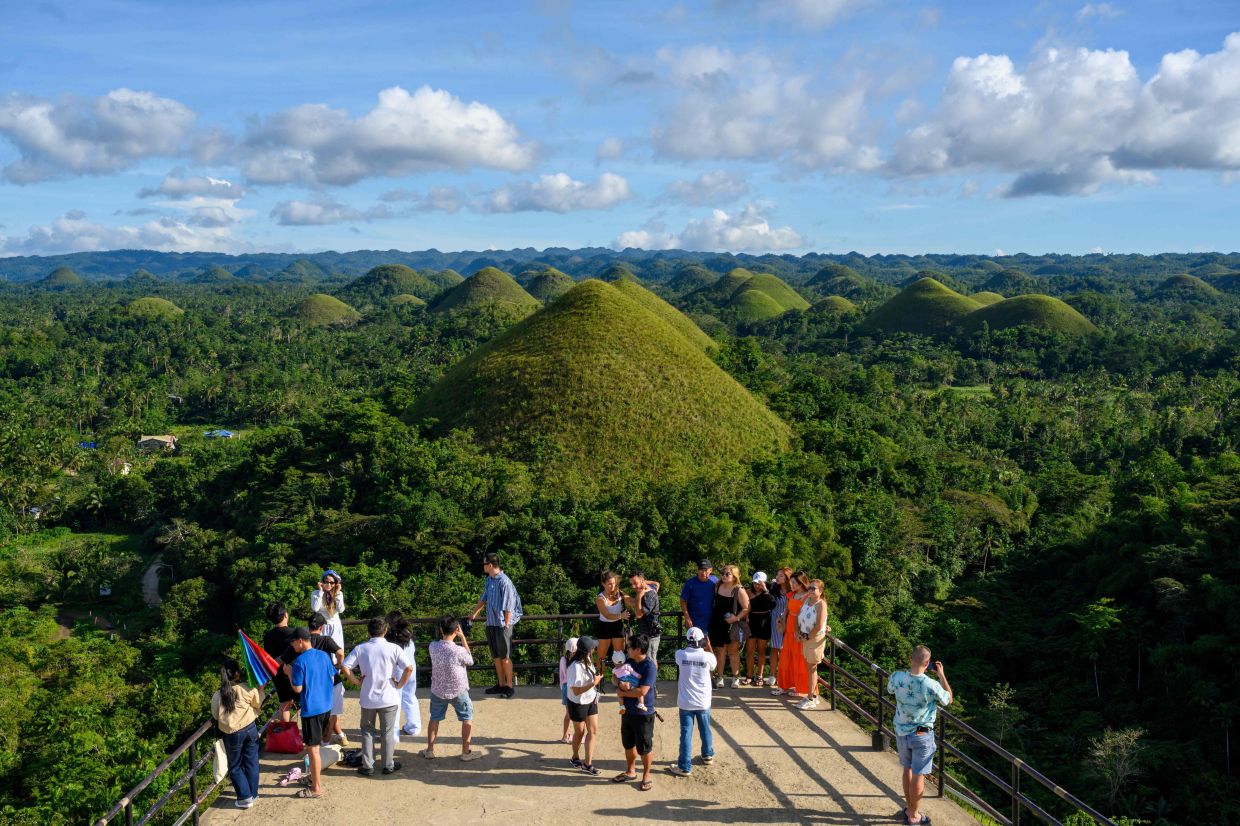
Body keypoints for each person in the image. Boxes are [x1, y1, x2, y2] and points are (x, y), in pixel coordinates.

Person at [888, 646, 954, 826]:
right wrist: (941, 675)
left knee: (907, 769)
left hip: (901, 731)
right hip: (921, 735)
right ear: (927, 663)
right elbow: (948, 699)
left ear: (911, 658)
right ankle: (914, 816)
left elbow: (890, 689)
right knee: (918, 775)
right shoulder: (931, 685)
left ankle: (909, 808)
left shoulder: (896, 676)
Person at [342, 617, 412, 776]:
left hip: (368, 696)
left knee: (367, 731)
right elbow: (409, 668)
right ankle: (388, 765)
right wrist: (399, 685)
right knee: (387, 732)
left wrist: (356, 681)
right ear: (385, 631)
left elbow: (345, 666)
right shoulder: (394, 648)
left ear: (369, 632)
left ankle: (368, 766)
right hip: (389, 695)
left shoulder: (361, 648)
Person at [278, 612, 348, 747]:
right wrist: (337, 666)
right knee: (331, 714)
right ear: (321, 627)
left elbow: (280, 660)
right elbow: (340, 653)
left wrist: (264, 668)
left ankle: (327, 741)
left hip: (312, 688)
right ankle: (327, 742)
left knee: (318, 718)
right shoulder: (326, 640)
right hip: (331, 682)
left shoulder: (299, 647)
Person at [423, 616, 483, 761]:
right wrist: (463, 638)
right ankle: (465, 752)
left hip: (438, 689)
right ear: (457, 630)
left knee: (434, 718)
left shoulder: (433, 646)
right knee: (467, 718)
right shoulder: (459, 650)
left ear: (441, 630)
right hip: (459, 689)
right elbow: (470, 660)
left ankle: (430, 750)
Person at [289, 627, 336, 799]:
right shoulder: (323, 655)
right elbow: (332, 677)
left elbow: (297, 688)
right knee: (316, 746)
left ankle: (316, 788)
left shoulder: (299, 662)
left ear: (300, 641)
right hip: (325, 705)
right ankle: (313, 777)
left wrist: (289, 674)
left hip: (311, 710)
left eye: (293, 642)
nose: (292, 646)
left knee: (313, 749)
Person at [211, 658, 263, 808]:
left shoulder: (218, 695)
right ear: (236, 674)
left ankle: (245, 798)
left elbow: (215, 715)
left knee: (235, 766)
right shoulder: (246, 688)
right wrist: (260, 689)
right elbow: (257, 703)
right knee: (252, 762)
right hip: (250, 728)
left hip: (232, 734)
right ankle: (253, 794)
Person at [469, 553, 523, 698]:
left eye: (485, 564)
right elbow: (483, 598)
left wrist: (506, 624)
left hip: (502, 624)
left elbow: (509, 605)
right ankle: (500, 684)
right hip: (491, 622)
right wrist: (474, 614)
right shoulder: (489, 580)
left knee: (505, 656)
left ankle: (509, 686)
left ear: (491, 565)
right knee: (496, 656)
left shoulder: (504, 582)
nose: (483, 566)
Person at [612, 634, 657, 792]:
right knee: (628, 743)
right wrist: (619, 682)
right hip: (628, 712)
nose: (627, 650)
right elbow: (614, 677)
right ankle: (631, 771)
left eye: (629, 647)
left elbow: (641, 691)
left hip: (643, 713)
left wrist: (622, 693)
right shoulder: (629, 661)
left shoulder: (649, 667)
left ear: (638, 649)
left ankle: (646, 775)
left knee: (645, 746)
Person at [670, 626, 716, 777]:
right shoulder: (707, 657)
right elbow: (714, 665)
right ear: (702, 640)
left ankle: (684, 766)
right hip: (703, 701)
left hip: (686, 702)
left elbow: (681, 659)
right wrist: (708, 646)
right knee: (705, 729)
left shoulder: (680, 654)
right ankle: (707, 755)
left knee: (686, 733)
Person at [566, 635, 603, 776]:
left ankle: (588, 764)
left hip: (591, 699)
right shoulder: (575, 667)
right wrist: (594, 683)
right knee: (580, 732)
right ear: (588, 650)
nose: (594, 649)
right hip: (577, 702)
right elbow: (575, 690)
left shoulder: (587, 659)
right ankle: (575, 756)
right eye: (593, 647)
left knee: (593, 731)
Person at [709, 564, 750, 688]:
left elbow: (747, 608)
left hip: (733, 624)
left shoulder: (739, 589)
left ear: (735, 576)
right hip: (718, 622)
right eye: (723, 573)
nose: (724, 576)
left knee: (733, 652)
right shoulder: (718, 586)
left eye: (728, 574)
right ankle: (720, 677)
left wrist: (736, 618)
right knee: (720, 651)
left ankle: (735, 678)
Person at [773, 571, 811, 698]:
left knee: (799, 658)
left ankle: (800, 687)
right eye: (791, 582)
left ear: (801, 583)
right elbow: (786, 610)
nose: (792, 585)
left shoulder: (808, 596)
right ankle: (784, 685)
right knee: (786, 658)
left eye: (794, 583)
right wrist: (782, 619)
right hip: (789, 628)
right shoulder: (792, 595)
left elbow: (814, 612)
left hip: (800, 629)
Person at [796, 579, 831, 710]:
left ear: (820, 591)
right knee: (809, 667)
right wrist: (798, 632)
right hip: (805, 637)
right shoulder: (807, 600)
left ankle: (811, 697)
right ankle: (812, 695)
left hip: (815, 639)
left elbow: (819, 625)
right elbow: (799, 616)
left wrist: (806, 636)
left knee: (811, 668)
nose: (810, 590)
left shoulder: (821, 604)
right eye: (809, 588)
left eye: (813, 588)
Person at [386, 615, 421, 738]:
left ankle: (393, 733)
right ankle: (414, 727)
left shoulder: (390, 639)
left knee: (395, 702)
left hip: (398, 673)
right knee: (410, 697)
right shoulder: (408, 636)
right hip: (411, 671)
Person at [594, 570, 630, 689]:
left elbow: (631, 601)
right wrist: (621, 616)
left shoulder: (619, 593)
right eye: (609, 584)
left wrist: (644, 592)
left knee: (619, 656)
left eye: (614, 583)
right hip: (604, 627)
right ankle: (598, 681)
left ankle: (620, 681)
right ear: (603, 584)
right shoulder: (600, 598)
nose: (612, 586)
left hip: (617, 626)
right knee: (601, 657)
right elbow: (607, 614)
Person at [262, 602, 297, 722]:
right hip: (294, 672)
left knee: (284, 703)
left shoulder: (268, 636)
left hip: (277, 674)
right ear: (286, 615)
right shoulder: (294, 633)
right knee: (304, 701)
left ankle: (285, 732)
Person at [680, 560, 718, 653]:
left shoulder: (715, 581)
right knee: (699, 648)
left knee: (712, 647)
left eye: (705, 570)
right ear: (697, 570)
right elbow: (683, 600)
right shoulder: (690, 583)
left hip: (711, 621)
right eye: (701, 569)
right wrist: (687, 617)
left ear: (710, 570)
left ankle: (712, 667)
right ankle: (711, 666)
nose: (703, 572)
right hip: (695, 622)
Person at [627, 571, 662, 669]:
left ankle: (651, 682)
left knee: (650, 658)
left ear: (642, 580)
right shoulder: (652, 588)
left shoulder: (649, 595)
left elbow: (638, 614)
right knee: (651, 657)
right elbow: (656, 583)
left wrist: (639, 595)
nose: (633, 586)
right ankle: (651, 681)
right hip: (647, 631)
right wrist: (643, 582)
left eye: (635, 583)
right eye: (631, 584)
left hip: (650, 633)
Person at [744, 572, 773, 686]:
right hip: (751, 621)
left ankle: (760, 675)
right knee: (750, 651)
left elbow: (772, 604)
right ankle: (749, 675)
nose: (757, 585)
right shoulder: (748, 592)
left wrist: (765, 590)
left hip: (764, 621)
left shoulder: (769, 592)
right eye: (755, 583)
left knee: (761, 651)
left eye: (759, 583)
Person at [766, 568, 793, 688]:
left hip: (789, 620)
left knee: (785, 650)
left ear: (787, 578)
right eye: (777, 575)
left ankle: (784, 676)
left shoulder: (793, 590)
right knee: (775, 648)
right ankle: (772, 675)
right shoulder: (774, 588)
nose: (777, 577)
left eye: (781, 576)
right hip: (776, 620)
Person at [310, 569, 346, 651]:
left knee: (336, 651)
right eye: (326, 582)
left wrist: (337, 593)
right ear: (322, 582)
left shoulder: (339, 594)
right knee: (322, 651)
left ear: (336, 583)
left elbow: (340, 610)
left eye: (332, 582)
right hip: (321, 627)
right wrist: (320, 592)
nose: (329, 584)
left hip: (335, 626)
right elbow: (315, 608)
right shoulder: (316, 593)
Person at [559, 637, 578, 744]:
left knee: (568, 713)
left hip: (566, 687)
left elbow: (561, 677)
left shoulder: (563, 659)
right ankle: (578, 735)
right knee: (578, 712)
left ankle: (565, 735)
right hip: (575, 687)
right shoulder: (578, 660)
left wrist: (562, 688)